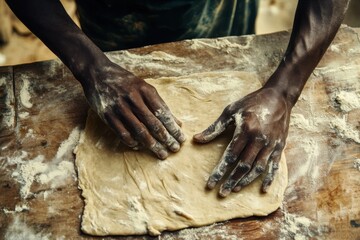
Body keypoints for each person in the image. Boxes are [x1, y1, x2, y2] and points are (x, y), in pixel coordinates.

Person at [5, 0, 350, 197]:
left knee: (225, 44)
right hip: (114, 18)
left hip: (217, 11)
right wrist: (91, 65)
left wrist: (284, 89)